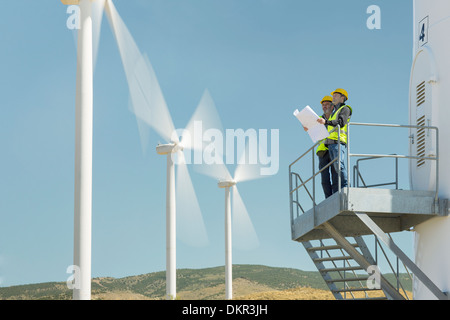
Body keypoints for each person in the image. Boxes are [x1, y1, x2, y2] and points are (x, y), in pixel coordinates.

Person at [317, 88, 352, 192]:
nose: (333, 97)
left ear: (342, 98)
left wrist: (326, 122)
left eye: (335, 95)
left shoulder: (345, 109)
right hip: (328, 145)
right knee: (329, 174)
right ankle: (332, 196)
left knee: (338, 167)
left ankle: (345, 188)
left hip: (338, 142)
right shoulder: (334, 113)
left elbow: (341, 122)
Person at [316, 96, 338, 198]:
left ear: (332, 106)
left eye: (327, 104)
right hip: (323, 150)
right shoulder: (319, 119)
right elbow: (314, 134)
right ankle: (328, 198)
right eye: (323, 105)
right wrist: (307, 128)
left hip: (334, 146)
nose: (324, 107)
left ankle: (336, 195)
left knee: (335, 173)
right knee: (324, 177)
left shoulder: (335, 117)